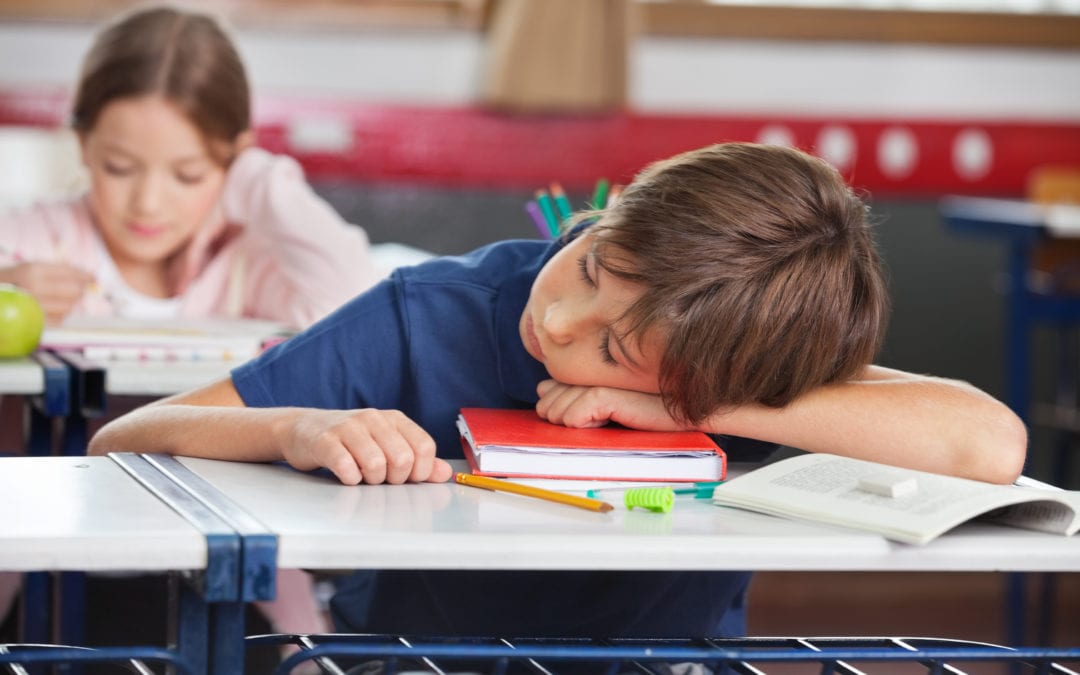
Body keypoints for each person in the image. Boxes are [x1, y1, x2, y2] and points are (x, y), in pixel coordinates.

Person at [89, 142, 1027, 643]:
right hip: (419, 660)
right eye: (591, 261)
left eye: (616, 346)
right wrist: (297, 425)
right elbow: (124, 438)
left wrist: (691, 407)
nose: (562, 319)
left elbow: (987, 445)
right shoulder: (440, 309)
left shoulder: (740, 346)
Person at [0, 4, 383, 657]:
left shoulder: (248, 261)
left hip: (224, 545)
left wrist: (263, 180)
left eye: (188, 174)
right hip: (43, 549)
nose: (149, 202)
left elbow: (353, 309)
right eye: (120, 167)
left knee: (294, 628)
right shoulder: (37, 239)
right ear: (84, 142)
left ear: (232, 161)